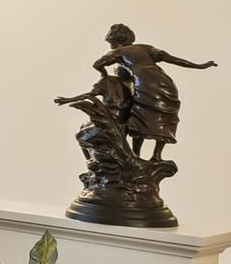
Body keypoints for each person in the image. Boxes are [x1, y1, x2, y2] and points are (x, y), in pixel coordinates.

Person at [91, 23, 215, 162]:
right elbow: (172, 59)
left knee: (139, 117)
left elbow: (97, 64)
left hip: (144, 83)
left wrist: (103, 75)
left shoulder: (118, 52)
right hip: (165, 84)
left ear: (115, 41)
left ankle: (136, 155)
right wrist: (201, 66)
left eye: (110, 43)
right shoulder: (146, 48)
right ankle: (156, 155)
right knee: (165, 117)